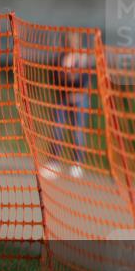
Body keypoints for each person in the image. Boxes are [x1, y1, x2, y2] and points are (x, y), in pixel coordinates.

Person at [41, 31, 93, 180]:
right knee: (57, 129)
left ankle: (77, 163)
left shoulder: (83, 60)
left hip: (79, 99)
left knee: (78, 132)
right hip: (62, 98)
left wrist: (73, 78)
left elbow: (85, 80)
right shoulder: (60, 59)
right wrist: (62, 75)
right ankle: (53, 163)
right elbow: (53, 78)